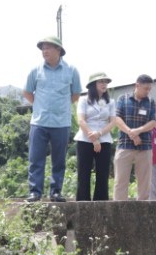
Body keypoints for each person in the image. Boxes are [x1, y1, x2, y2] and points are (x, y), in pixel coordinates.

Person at [22, 35, 81, 202]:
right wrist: (39, 104)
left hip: (61, 123)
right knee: (35, 159)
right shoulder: (35, 70)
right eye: (42, 48)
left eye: (48, 48)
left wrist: (61, 106)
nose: (44, 51)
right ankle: (35, 192)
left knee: (59, 160)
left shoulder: (71, 70)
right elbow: (27, 92)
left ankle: (56, 192)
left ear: (58, 50)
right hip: (39, 122)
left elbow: (76, 94)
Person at [113, 74, 156, 201]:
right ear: (137, 85)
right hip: (124, 145)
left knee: (144, 183)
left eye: (150, 89)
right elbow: (117, 119)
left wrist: (138, 131)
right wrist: (130, 133)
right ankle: (119, 210)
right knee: (120, 181)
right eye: (145, 88)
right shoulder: (123, 98)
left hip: (145, 147)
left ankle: (142, 212)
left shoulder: (151, 101)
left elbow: (153, 122)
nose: (148, 91)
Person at [74, 72, 116, 201]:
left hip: (104, 138)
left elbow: (113, 122)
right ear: (93, 84)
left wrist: (99, 134)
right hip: (85, 139)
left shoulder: (111, 102)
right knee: (83, 173)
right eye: (101, 82)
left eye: (106, 82)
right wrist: (93, 138)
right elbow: (81, 120)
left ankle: (101, 203)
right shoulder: (83, 100)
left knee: (103, 174)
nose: (104, 84)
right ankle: (82, 203)